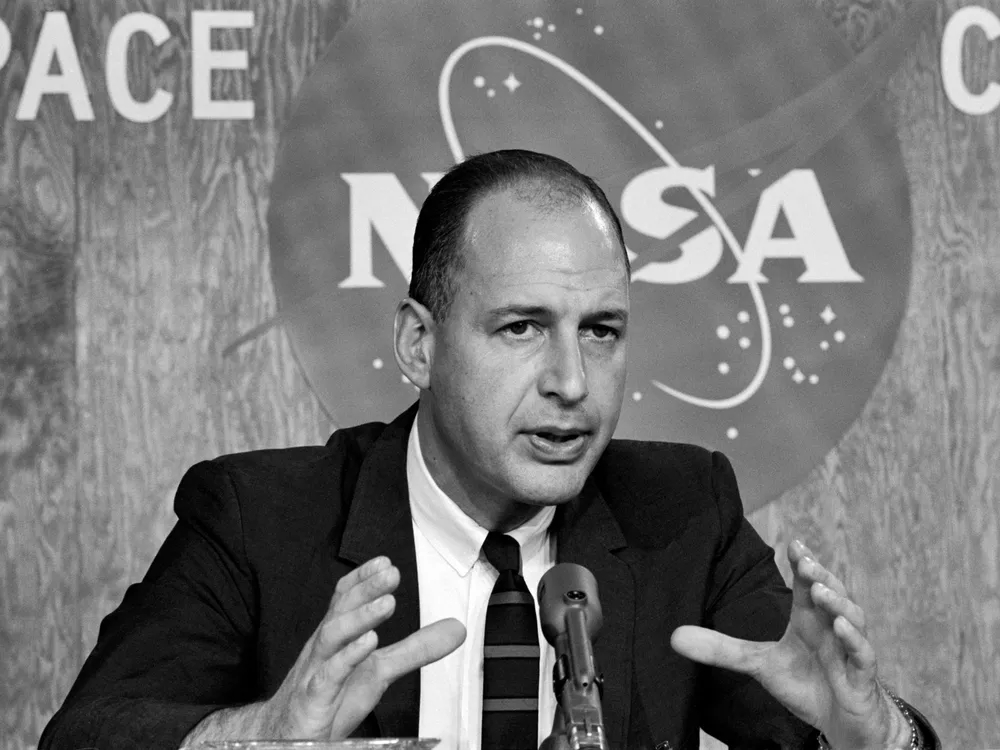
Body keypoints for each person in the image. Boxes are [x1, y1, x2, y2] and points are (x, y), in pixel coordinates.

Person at [39, 149, 937, 750]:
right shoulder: (259, 521)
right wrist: (258, 740)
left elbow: (826, 721)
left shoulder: (681, 514)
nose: (572, 382)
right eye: (520, 328)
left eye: (602, 331)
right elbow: (88, 734)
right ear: (419, 345)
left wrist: (875, 733)